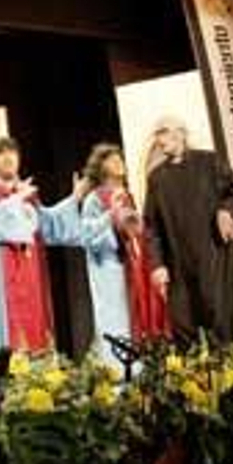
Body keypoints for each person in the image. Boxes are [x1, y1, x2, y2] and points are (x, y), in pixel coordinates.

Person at [0, 136, 84, 357]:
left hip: (30, 270)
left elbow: (46, 225)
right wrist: (16, 199)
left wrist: (73, 199)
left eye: (12, 152)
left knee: (33, 328)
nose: (9, 157)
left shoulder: (26, 192)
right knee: (2, 325)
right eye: (1, 153)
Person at [141, 117, 233, 344]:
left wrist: (227, 210)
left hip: (214, 256)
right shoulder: (157, 178)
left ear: (180, 133)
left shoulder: (208, 162)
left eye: (163, 132)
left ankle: (232, 373)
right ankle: (194, 377)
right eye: (157, 135)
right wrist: (157, 264)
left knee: (220, 319)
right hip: (179, 263)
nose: (159, 140)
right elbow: (151, 226)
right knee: (183, 323)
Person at [76, 143, 168, 361]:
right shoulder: (94, 199)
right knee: (117, 322)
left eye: (120, 158)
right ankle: (119, 378)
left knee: (137, 320)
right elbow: (88, 236)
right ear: (100, 168)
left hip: (135, 267)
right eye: (111, 160)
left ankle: (140, 374)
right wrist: (111, 216)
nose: (119, 163)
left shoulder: (128, 196)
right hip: (111, 271)